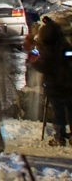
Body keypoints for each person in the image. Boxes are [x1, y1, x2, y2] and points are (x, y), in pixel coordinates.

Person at [36, 15, 72, 146]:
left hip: (53, 85)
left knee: (58, 111)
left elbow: (43, 66)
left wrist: (33, 61)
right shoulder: (65, 45)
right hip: (68, 83)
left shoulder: (46, 49)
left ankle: (59, 136)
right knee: (70, 109)